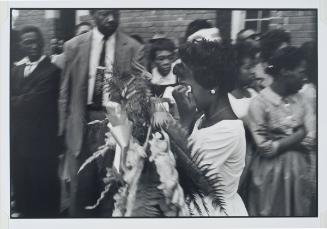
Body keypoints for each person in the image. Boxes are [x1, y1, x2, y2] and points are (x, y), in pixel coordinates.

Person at [58, 9, 144, 217]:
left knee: (112, 188)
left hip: (114, 123)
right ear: (93, 13)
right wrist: (62, 131)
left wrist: (133, 135)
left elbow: (138, 96)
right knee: (81, 189)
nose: (111, 19)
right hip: (81, 122)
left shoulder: (133, 48)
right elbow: (64, 92)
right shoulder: (73, 46)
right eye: (105, 13)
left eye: (115, 13)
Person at [172, 39, 248, 216]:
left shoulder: (228, 130)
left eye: (185, 82)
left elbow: (187, 177)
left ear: (212, 86)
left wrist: (184, 121)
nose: (179, 89)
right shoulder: (204, 118)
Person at [246, 46, 316, 216]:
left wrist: (280, 140)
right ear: (285, 71)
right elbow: (266, 149)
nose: (304, 77)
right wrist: (298, 134)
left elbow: (312, 139)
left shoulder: (303, 100)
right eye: (301, 72)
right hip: (270, 178)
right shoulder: (259, 104)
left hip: (300, 175)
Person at [10, 26, 61, 217]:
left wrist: (14, 100)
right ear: (20, 45)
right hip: (18, 139)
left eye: (36, 41)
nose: (33, 45)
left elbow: (35, 102)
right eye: (28, 42)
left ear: (43, 42)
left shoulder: (52, 70)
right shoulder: (15, 69)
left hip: (42, 141)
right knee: (22, 183)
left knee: (43, 185)